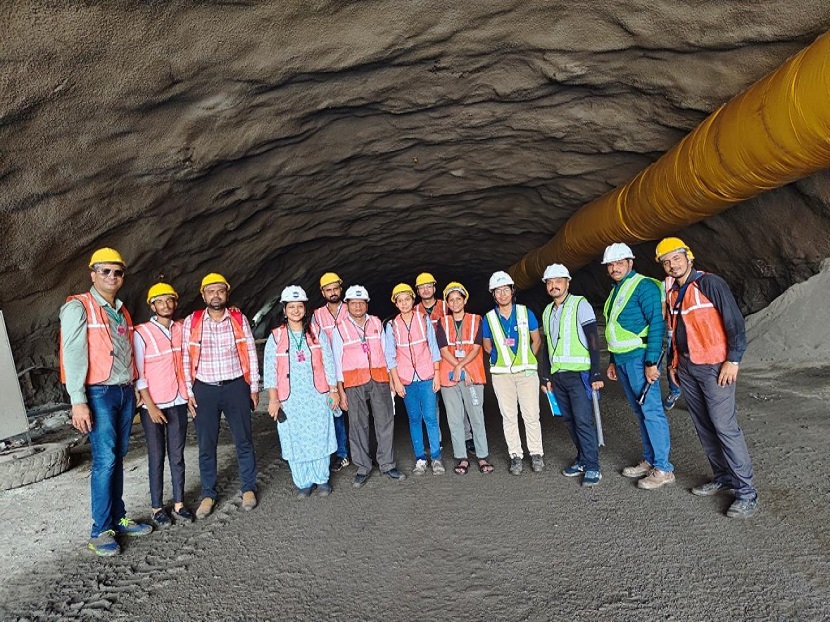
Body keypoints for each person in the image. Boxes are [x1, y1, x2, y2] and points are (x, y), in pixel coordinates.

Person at [59, 247, 152, 557]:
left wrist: (135, 385)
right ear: (93, 274)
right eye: (105, 271)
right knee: (105, 459)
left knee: (118, 456)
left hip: (123, 391)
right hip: (98, 392)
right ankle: (100, 530)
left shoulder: (121, 311)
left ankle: (117, 517)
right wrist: (77, 400)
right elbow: (72, 354)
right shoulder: (79, 307)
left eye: (117, 272)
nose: (112, 276)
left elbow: (126, 351)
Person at [656, 237, 758, 518]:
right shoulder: (674, 292)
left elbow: (734, 323)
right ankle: (722, 475)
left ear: (689, 257)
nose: (672, 265)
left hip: (715, 366)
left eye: (676, 258)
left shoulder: (710, 283)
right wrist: (674, 365)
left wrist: (733, 360)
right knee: (703, 424)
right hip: (688, 366)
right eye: (666, 262)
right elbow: (675, 331)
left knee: (724, 426)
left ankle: (746, 492)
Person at [181, 273, 260, 518]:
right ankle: (208, 493)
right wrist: (188, 390)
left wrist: (254, 386)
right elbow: (185, 357)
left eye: (220, 291)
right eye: (210, 291)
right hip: (204, 388)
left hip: (235, 384)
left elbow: (250, 350)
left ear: (227, 293)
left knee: (244, 440)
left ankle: (248, 488)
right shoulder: (192, 322)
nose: (216, 295)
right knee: (206, 444)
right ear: (203, 295)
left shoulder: (238, 318)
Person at [602, 243, 674, 490]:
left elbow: (657, 324)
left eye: (619, 263)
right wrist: (612, 361)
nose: (614, 268)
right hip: (622, 360)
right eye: (611, 265)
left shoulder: (643, 286)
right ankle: (650, 459)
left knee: (651, 411)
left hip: (639, 358)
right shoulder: (616, 290)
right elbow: (614, 328)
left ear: (630, 263)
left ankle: (664, 468)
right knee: (640, 411)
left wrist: (652, 362)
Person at [264, 286, 340, 497]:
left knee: (319, 434)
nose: (296, 310)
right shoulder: (276, 337)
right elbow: (270, 370)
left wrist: (333, 390)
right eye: (291, 307)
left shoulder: (316, 333)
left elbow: (329, 363)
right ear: (284, 310)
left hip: (316, 394)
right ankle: (303, 481)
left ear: (305, 309)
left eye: (300, 306)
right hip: (290, 398)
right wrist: (273, 399)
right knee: (294, 437)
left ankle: (321, 479)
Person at [330, 285, 406, 487]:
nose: (357, 306)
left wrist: (391, 378)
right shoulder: (340, 328)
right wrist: (340, 391)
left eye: (361, 302)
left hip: (379, 378)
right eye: (353, 303)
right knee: (357, 425)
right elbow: (337, 361)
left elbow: (386, 350)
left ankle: (387, 464)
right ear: (347, 305)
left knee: (385, 422)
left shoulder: (376, 323)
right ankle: (363, 467)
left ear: (366, 304)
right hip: (354, 382)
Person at [538, 264, 604, 486]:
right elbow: (548, 347)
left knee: (583, 421)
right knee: (569, 421)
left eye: (558, 281)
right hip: (558, 377)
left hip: (580, 375)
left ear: (567, 282)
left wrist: (595, 372)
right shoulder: (547, 311)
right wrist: (545, 376)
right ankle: (583, 459)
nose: (553, 285)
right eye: (549, 282)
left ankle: (593, 466)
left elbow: (593, 339)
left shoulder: (580, 304)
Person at [133, 283, 192, 526]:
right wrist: (151, 407)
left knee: (177, 455)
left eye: (169, 300)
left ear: (175, 303)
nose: (165, 305)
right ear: (152, 306)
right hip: (152, 405)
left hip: (178, 400)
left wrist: (189, 398)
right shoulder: (142, 333)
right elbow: (139, 374)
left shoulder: (181, 328)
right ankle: (157, 507)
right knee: (156, 456)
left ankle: (179, 503)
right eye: (160, 302)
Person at [482, 271, 545, 475]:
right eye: (498, 291)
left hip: (526, 373)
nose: (502, 294)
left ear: (512, 291)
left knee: (531, 415)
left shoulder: (526, 313)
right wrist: (502, 359)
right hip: (502, 375)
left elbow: (537, 340)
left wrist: (527, 358)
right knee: (508, 416)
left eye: (505, 290)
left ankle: (536, 453)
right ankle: (515, 456)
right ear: (494, 294)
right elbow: (487, 345)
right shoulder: (489, 318)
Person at [435, 282, 494, 475]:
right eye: (451, 300)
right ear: (447, 303)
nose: (455, 303)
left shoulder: (477, 320)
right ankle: (462, 458)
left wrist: (462, 367)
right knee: (455, 419)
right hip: (449, 378)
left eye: (458, 299)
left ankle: (482, 456)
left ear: (465, 300)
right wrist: (459, 367)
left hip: (472, 377)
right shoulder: (442, 323)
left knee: (476, 416)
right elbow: (443, 350)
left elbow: (476, 347)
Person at [385, 283, 444, 475]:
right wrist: (396, 381)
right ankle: (420, 458)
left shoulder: (423, 319)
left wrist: (436, 374)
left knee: (430, 417)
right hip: (406, 379)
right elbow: (390, 355)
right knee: (414, 418)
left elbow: (433, 347)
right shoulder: (392, 325)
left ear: (413, 300)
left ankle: (436, 457)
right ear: (396, 303)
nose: (404, 303)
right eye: (399, 300)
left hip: (426, 375)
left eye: (407, 299)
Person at [415, 271, 475, 451]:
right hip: (427, 361)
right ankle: (437, 440)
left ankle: (467, 436)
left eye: (428, 286)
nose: (426, 290)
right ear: (417, 291)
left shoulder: (446, 305)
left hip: (449, 358)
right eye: (421, 287)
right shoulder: (414, 310)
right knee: (432, 403)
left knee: (459, 398)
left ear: (434, 287)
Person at [312, 272, 349, 472]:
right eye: (328, 290)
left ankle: (363, 452)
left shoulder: (351, 307)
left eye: (335, 288)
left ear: (340, 289)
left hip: (351, 367)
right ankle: (342, 454)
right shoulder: (317, 315)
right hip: (330, 371)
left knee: (358, 413)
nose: (333, 292)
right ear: (322, 292)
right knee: (336, 414)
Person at [661, 275, 683, 411]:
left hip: (693, 333)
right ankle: (675, 391)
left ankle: (697, 398)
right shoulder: (666, 285)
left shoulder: (699, 283)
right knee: (672, 364)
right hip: (672, 332)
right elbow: (663, 309)